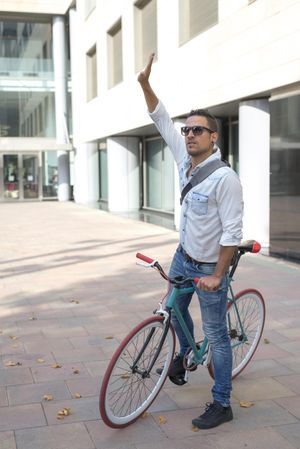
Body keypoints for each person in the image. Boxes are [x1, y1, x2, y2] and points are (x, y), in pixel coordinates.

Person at [137, 54, 243, 429]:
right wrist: (144, 83)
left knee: (217, 335)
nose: (190, 134)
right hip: (183, 257)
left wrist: (217, 274)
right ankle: (185, 352)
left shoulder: (225, 178)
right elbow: (160, 117)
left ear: (213, 136)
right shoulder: (185, 160)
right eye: (187, 130)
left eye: (198, 130)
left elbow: (232, 231)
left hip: (209, 267)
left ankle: (222, 402)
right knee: (174, 309)